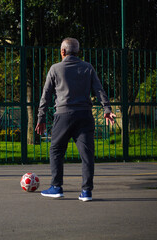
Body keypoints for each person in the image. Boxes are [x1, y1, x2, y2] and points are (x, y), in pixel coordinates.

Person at [35, 38, 116, 201]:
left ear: (63, 51)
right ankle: (86, 191)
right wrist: (107, 108)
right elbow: (99, 90)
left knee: (56, 150)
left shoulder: (55, 68)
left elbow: (46, 96)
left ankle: (56, 187)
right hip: (84, 115)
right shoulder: (88, 67)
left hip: (63, 115)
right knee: (87, 154)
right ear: (77, 52)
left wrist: (41, 118)